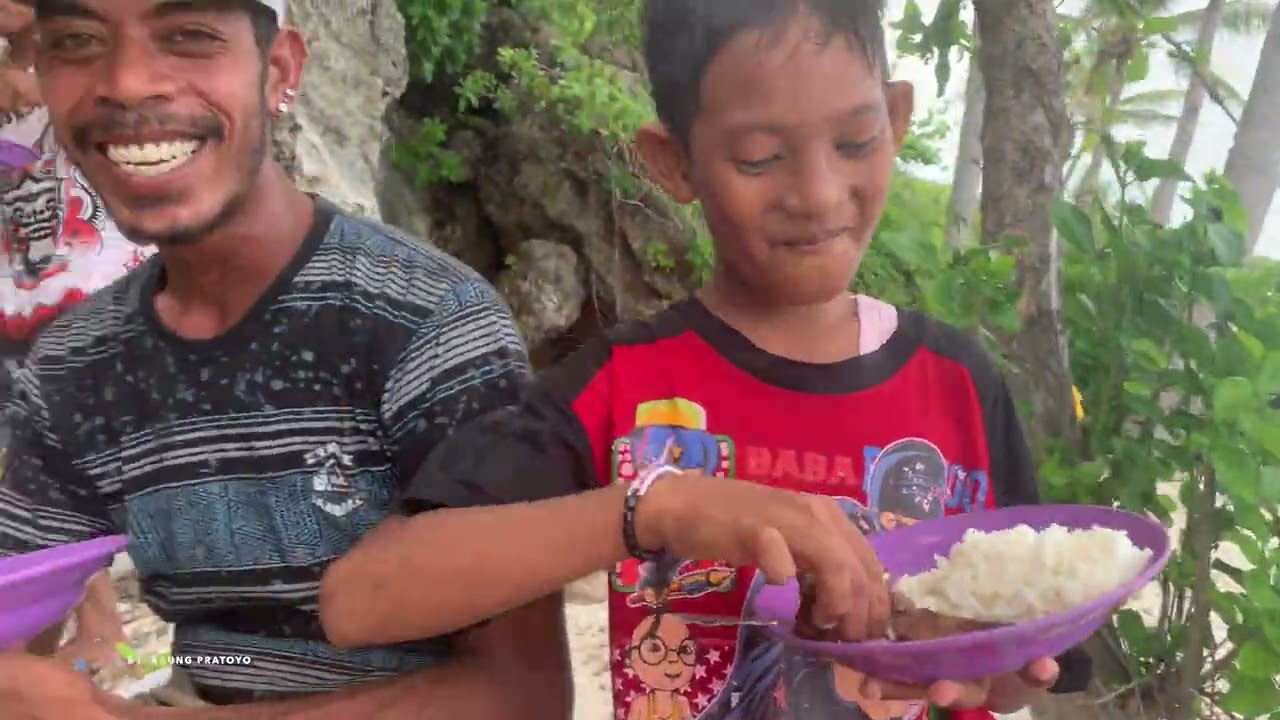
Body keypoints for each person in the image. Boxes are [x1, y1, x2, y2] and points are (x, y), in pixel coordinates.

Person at [319, 0, 1094, 719]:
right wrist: (659, 509)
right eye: (760, 157)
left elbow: (1012, 666)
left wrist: (1001, 665)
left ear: (895, 120)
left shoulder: (960, 384)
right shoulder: (622, 387)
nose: (818, 193)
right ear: (674, 164)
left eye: (855, 142)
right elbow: (361, 600)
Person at [0, 0, 575, 717]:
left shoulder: (424, 321)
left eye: (189, 36)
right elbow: (16, 630)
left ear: (278, 72)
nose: (127, 82)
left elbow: (519, 693)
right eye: (78, 40)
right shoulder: (75, 364)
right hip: (198, 679)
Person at [0, 0, 145, 672]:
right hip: (17, 306)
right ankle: (61, 649)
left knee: (59, 473)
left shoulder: (94, 52)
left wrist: (35, 71)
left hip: (96, 294)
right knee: (33, 492)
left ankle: (95, 635)